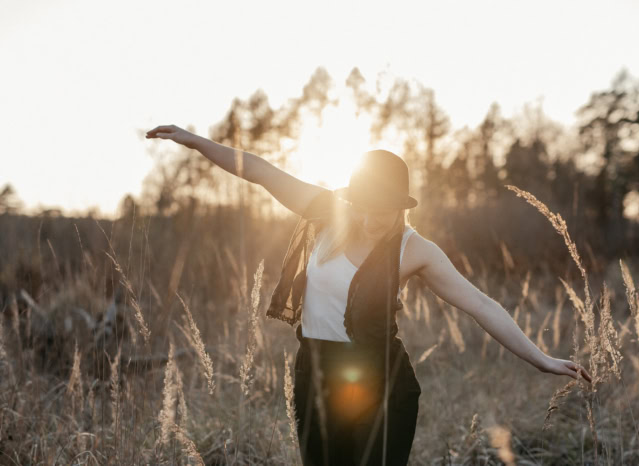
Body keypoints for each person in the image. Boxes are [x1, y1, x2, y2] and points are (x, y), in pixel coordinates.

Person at [145, 125, 592, 466]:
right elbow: (260, 171)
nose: (376, 219)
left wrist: (541, 359)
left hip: (382, 387)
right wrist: (194, 141)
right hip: (314, 377)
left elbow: (479, 304)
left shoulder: (414, 249)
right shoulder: (326, 213)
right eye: (368, 206)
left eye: (387, 209)